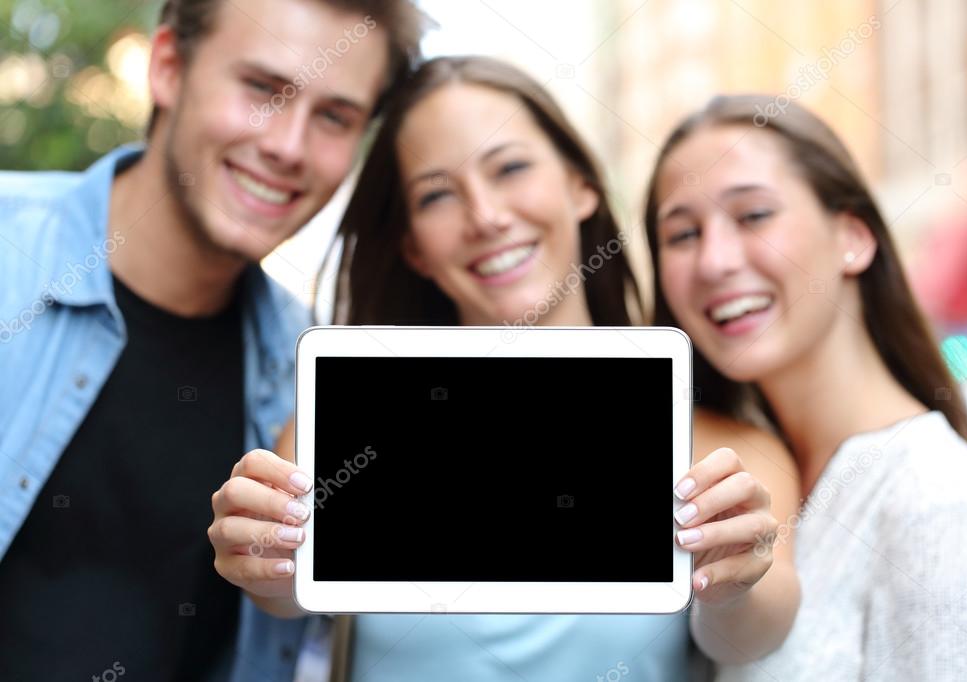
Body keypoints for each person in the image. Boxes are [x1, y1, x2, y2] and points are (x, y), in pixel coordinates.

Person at [209, 57, 802, 682]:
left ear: (581, 185)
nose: (486, 216)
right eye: (437, 194)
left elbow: (750, 636)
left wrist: (732, 582)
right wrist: (258, 557)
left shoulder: (719, 454)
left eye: (511, 168)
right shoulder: (342, 426)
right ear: (413, 244)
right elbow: (286, 593)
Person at [0, 1, 426, 679]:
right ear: (168, 68)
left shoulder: (316, 374)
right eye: (262, 89)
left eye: (334, 117)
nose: (287, 146)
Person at [644, 94, 967, 680]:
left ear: (854, 237)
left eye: (753, 216)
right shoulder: (736, 472)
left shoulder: (933, 494)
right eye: (682, 234)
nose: (714, 260)